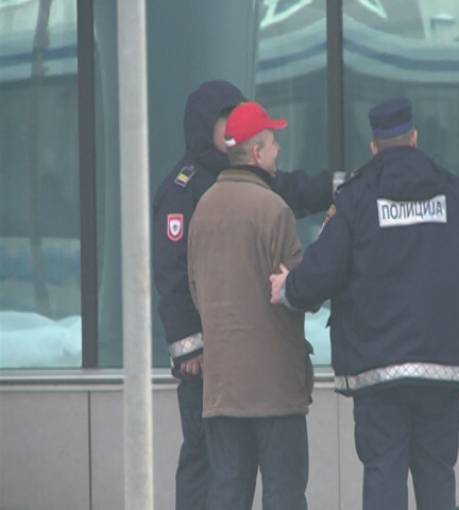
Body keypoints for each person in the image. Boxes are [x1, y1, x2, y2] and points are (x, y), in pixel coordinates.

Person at [270, 97, 459, 510]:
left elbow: (324, 268)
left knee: (383, 475)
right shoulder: (455, 191)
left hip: (377, 369)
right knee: (437, 475)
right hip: (441, 365)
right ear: (415, 138)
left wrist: (289, 288)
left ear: (373, 147)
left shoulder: (356, 198)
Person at [151, 81, 335, 510]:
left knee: (227, 480)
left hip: (228, 369)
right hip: (211, 363)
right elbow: (174, 275)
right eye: (226, 121)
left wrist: (338, 186)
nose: (232, 129)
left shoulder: (233, 188)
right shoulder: (184, 190)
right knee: (208, 464)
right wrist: (188, 345)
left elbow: (295, 187)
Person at [186, 101, 313, 510]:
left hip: (222, 388)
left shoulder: (202, 208)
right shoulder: (274, 210)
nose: (279, 151)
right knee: (283, 493)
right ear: (257, 153)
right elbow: (299, 290)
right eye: (273, 143)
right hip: (275, 388)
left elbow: (194, 289)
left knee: (227, 490)